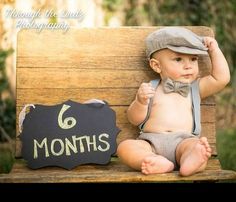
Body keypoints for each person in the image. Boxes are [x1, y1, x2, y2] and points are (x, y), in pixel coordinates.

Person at [117, 27, 230, 176]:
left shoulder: (195, 88)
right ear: (156, 65)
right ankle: (152, 160)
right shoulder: (151, 88)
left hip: (183, 141)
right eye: (178, 59)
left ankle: (191, 160)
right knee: (125, 147)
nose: (188, 65)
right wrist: (140, 101)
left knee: (195, 146)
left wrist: (214, 51)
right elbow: (134, 119)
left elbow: (221, 78)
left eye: (193, 59)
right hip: (150, 142)